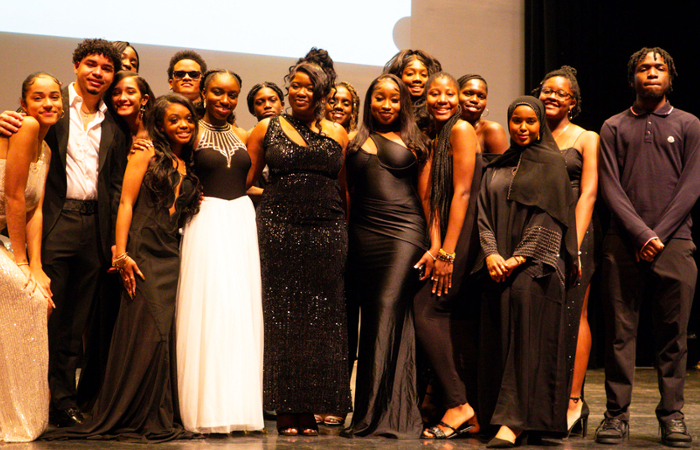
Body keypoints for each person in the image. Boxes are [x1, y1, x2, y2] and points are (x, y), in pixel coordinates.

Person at [43, 94, 201, 441]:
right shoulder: (146, 152)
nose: (183, 124)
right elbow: (126, 203)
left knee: (161, 334)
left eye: (188, 118)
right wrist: (121, 253)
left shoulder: (186, 163)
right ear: (160, 124)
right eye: (175, 119)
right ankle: (146, 412)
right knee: (154, 331)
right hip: (142, 250)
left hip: (171, 253)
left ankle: (155, 411)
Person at [0, 38, 128, 427]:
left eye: (107, 69)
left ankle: (63, 399)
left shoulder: (115, 121)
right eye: (91, 65)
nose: (98, 74)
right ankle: (30, 394)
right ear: (77, 66)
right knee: (42, 311)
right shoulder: (49, 110)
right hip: (53, 220)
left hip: (94, 225)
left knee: (76, 319)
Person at [596, 47, 700, 448]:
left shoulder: (689, 124)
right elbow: (610, 186)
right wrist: (642, 235)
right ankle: (615, 417)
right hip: (623, 244)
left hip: (676, 244)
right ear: (633, 77)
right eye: (644, 67)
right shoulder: (613, 126)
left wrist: (659, 235)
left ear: (670, 77)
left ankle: (672, 416)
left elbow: (691, 186)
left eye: (659, 68)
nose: (651, 73)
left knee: (673, 335)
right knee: (621, 335)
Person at [246, 61, 352, 437]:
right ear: (288, 89)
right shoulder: (266, 127)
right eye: (296, 85)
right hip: (278, 230)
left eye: (310, 87)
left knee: (322, 321)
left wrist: (345, 232)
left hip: (326, 232)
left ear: (322, 93)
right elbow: (245, 181)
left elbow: (344, 189)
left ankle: (311, 407)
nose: (301, 92)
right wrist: (275, 196)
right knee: (282, 320)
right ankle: (286, 409)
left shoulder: (339, 132)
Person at [477, 96, 577, 447]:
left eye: (530, 121)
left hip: (535, 268)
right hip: (498, 265)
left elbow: (550, 220)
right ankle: (498, 415)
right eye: (516, 121)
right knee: (502, 339)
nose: (522, 127)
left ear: (540, 125)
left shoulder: (552, 163)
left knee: (526, 342)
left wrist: (517, 259)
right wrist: (491, 254)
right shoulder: (498, 165)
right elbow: (483, 213)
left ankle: (514, 422)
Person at [176, 69, 264, 433]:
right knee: (207, 309)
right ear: (204, 91)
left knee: (238, 312)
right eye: (217, 92)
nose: (224, 100)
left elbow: (251, 180)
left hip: (240, 221)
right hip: (206, 219)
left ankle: (238, 406)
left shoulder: (244, 135)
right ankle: (205, 409)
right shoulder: (189, 130)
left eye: (231, 94)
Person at [343, 74, 430, 438]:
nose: (387, 105)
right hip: (364, 234)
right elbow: (346, 195)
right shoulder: (351, 142)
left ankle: (379, 416)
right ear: (369, 101)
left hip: (405, 233)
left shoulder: (417, 143)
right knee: (373, 317)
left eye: (395, 99)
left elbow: (427, 200)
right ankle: (376, 410)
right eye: (380, 98)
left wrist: (435, 246)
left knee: (385, 307)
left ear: (403, 104)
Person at [412, 72, 481, 440]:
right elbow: (432, 200)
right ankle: (470, 406)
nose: (441, 99)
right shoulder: (435, 137)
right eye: (434, 94)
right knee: (446, 317)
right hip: (448, 236)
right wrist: (435, 244)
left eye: (448, 93)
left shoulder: (462, 131)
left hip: (466, 233)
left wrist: (450, 252)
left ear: (457, 98)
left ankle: (459, 404)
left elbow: (463, 193)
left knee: (427, 310)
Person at [534, 65, 599, 438]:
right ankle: (542, 399)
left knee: (576, 313)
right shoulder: (532, 133)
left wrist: (571, 242)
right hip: (536, 232)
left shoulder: (586, 137)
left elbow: (588, 192)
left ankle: (573, 400)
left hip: (576, 232)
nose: (552, 97)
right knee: (542, 316)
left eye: (560, 93)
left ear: (572, 102)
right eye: (547, 91)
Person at [0, 72, 61, 442]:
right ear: (24, 104)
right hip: (6, 238)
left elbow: (35, 209)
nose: (48, 104)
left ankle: (20, 409)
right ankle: (13, 411)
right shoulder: (25, 128)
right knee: (24, 294)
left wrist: (37, 267)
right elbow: (14, 199)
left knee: (38, 298)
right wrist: (22, 265)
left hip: (7, 239)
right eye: (38, 97)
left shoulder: (47, 147)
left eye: (54, 97)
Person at [383, 49, 442, 131]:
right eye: (410, 74)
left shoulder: (436, 112)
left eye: (423, 75)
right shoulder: (388, 110)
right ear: (399, 76)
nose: (417, 79)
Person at [458, 74, 508, 154]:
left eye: (481, 96)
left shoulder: (492, 130)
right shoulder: (443, 128)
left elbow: (505, 166)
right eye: (468, 93)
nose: (474, 100)